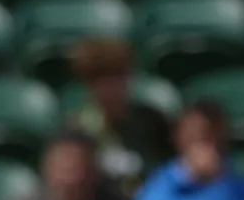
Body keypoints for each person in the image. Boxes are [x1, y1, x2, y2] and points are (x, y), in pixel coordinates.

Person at [66, 38, 171, 189]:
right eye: (101, 81)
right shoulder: (78, 129)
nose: (110, 89)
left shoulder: (152, 122)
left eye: (117, 77)